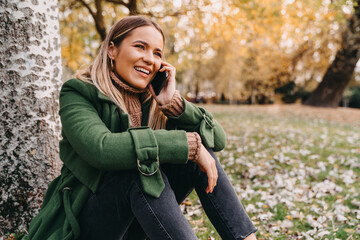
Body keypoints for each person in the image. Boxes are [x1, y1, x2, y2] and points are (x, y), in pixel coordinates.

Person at [25, 16, 257, 240]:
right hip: (83, 225)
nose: (150, 59)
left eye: (157, 53)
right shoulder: (78, 92)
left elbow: (218, 139)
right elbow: (101, 149)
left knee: (192, 157)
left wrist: (174, 105)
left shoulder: (154, 102)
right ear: (112, 50)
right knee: (138, 169)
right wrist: (188, 145)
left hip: (135, 225)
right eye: (140, 47)